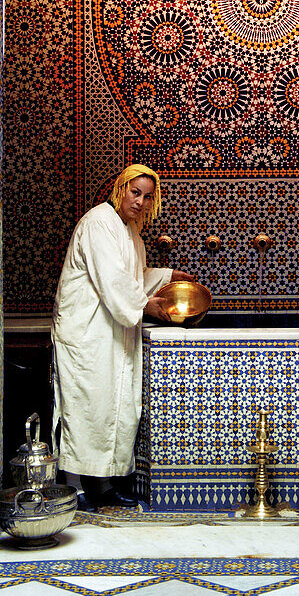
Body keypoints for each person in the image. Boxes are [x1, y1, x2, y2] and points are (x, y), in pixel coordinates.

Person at [51, 164, 191, 510]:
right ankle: (83, 489)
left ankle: (104, 483)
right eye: (135, 192)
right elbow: (113, 280)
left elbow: (133, 277)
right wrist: (148, 307)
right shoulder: (99, 223)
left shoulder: (130, 233)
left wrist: (168, 276)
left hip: (109, 335)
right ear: (120, 189)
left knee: (113, 408)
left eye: (148, 197)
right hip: (88, 335)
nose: (140, 202)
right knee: (89, 408)